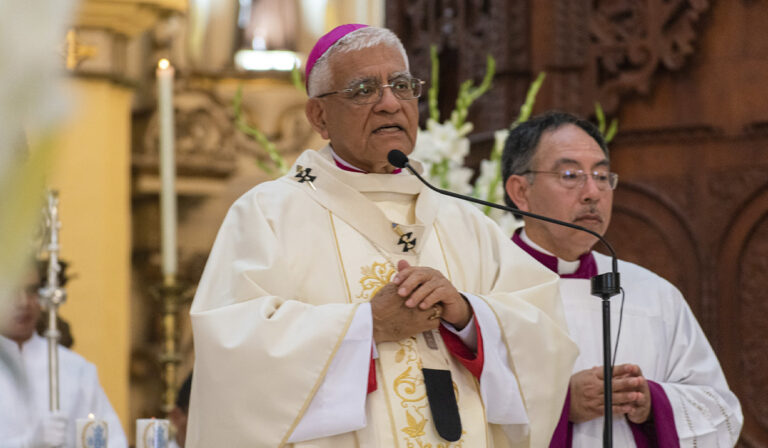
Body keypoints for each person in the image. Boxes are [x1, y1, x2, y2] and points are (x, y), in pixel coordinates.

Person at [187, 24, 578, 447]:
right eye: (363, 90)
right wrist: (366, 325)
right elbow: (235, 350)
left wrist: (467, 316)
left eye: (403, 86)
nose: (390, 103)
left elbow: (546, 338)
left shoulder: (461, 220)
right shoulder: (269, 213)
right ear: (319, 116)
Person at [502, 111, 743, 447]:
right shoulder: (481, 284)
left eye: (602, 176)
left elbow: (722, 412)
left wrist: (652, 403)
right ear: (520, 191)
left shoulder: (652, 293)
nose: (592, 192)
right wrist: (561, 403)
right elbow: (452, 403)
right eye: (571, 175)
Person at [0, 261, 127, 447]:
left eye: (31, 290)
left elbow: (113, 440)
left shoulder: (75, 370)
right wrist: (25, 444)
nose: (23, 302)